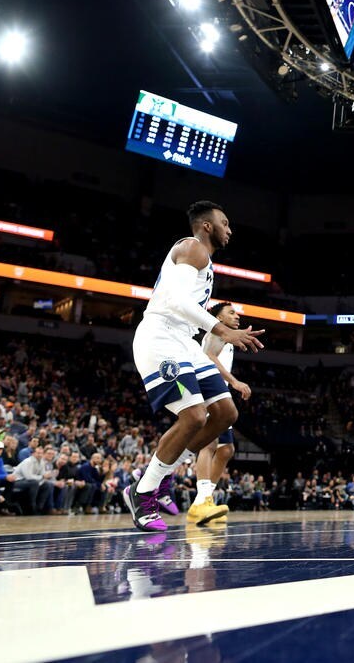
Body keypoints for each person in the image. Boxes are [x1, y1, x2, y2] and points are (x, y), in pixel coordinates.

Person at [126, 200, 265, 532]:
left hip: (185, 342)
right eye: (225, 222)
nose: (229, 229)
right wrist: (223, 331)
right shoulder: (193, 248)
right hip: (161, 337)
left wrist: (223, 333)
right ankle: (143, 491)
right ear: (207, 225)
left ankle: (161, 476)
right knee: (194, 416)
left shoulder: (204, 260)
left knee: (225, 414)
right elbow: (175, 302)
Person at [187, 301, 253, 525]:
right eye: (231, 313)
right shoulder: (217, 332)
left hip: (218, 391)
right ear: (219, 318)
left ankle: (203, 500)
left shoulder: (228, 336)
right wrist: (234, 382)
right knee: (210, 444)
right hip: (207, 388)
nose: (237, 316)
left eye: (237, 313)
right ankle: (203, 500)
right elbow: (209, 358)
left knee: (226, 450)